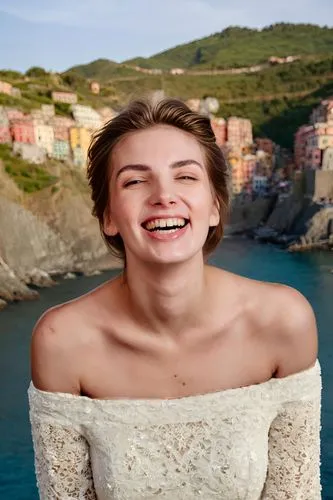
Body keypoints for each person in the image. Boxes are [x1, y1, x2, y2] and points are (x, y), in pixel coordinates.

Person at [28, 98, 322, 499]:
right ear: (108, 217)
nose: (163, 195)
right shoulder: (63, 342)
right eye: (135, 181)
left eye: (185, 177)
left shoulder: (284, 323)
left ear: (215, 206)